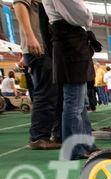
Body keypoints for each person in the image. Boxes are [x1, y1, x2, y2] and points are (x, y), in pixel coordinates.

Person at [42, 0, 98, 160]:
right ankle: (74, 149)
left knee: (80, 103)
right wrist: (88, 18)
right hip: (70, 43)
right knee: (74, 102)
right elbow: (82, 15)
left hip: (72, 42)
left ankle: (86, 145)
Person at [13, 0, 61, 149]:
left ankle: (50, 134)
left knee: (53, 93)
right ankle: (39, 137)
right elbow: (19, 5)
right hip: (38, 46)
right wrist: (30, 37)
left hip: (45, 46)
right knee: (45, 93)